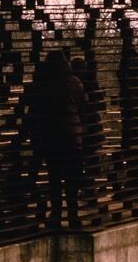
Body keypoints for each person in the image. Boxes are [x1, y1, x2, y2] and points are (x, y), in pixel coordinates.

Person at [20, 48, 99, 229]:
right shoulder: (74, 82)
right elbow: (84, 107)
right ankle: (73, 215)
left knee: (54, 178)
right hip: (72, 138)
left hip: (51, 139)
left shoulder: (43, 85)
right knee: (71, 180)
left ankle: (55, 214)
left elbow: (36, 112)